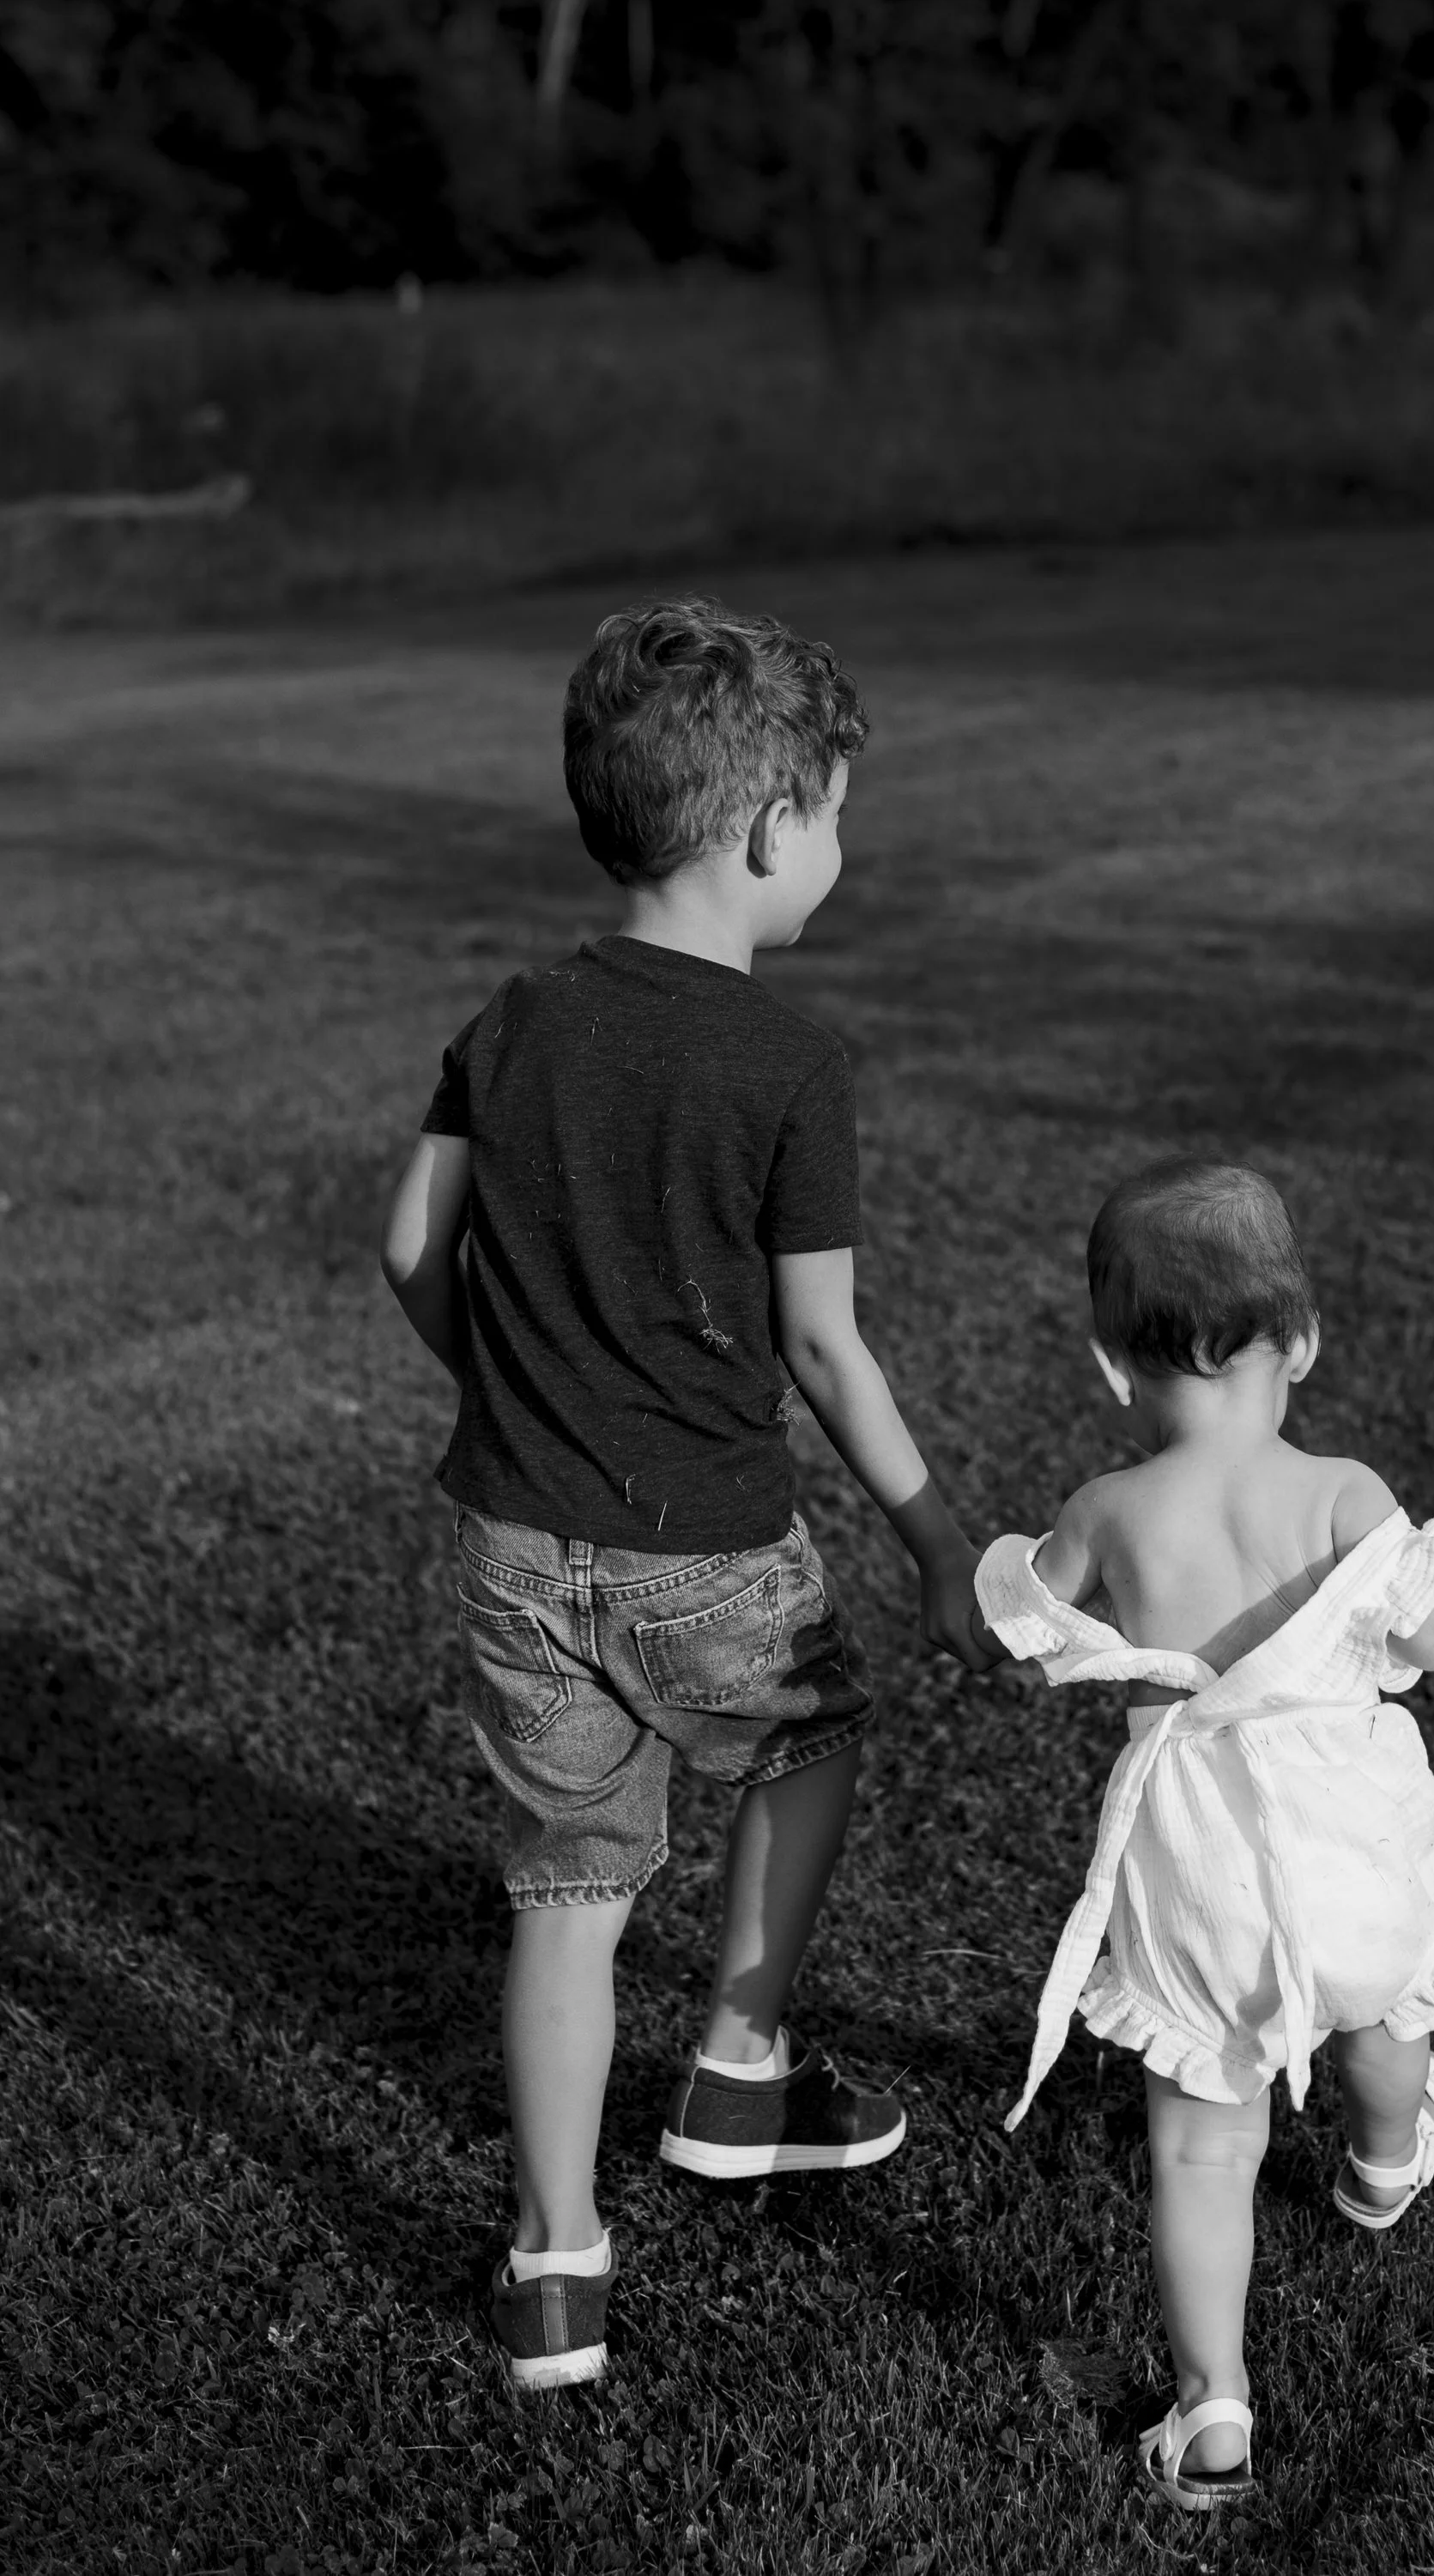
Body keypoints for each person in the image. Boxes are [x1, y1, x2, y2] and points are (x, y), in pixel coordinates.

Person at [380, 597, 1000, 2393]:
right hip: (704, 1546)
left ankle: (554, 2266)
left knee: (567, 1888)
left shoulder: (511, 1021)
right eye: (830, 817)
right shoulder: (789, 1066)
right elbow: (820, 1350)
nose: (836, 850)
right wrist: (942, 1544)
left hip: (511, 1537)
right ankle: (738, 2061)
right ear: (760, 835)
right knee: (806, 1743)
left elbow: (409, 1241)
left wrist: (502, 1382)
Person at [976, 1161, 1434, 2512]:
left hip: (1195, 1867)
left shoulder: (1107, 1512)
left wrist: (1003, 1580)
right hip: (1342, 1835)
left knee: (1198, 2142)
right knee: (1380, 2006)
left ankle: (1215, 2406)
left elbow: (1035, 1623)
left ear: (1114, 1369)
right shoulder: (1345, 1491)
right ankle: (1381, 2160)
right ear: (1300, 1341)